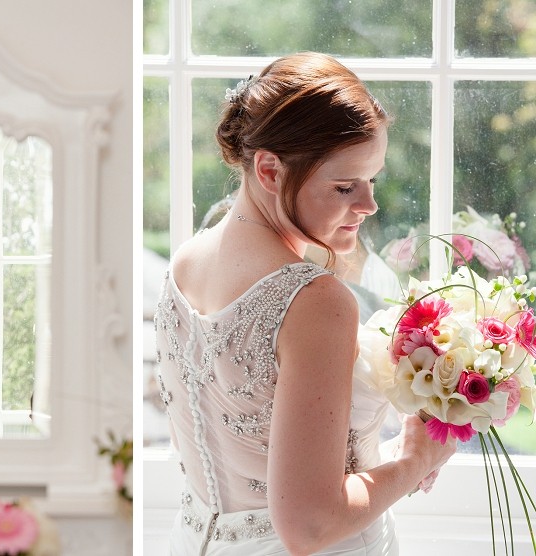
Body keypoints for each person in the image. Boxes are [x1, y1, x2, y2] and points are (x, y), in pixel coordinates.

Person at [154, 52, 458, 555]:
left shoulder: (184, 262)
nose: (369, 205)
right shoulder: (314, 301)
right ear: (269, 170)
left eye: (372, 180)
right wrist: (416, 461)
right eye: (345, 186)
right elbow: (309, 526)